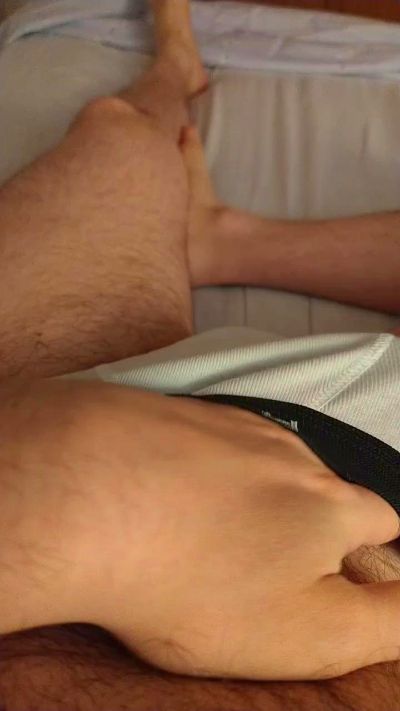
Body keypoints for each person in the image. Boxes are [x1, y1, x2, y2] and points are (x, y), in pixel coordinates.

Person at [1, 0, 400, 708]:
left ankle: (176, 83)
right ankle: (224, 231)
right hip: (311, 433)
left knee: (118, 133)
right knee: (119, 134)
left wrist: (75, 495)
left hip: (96, 417)